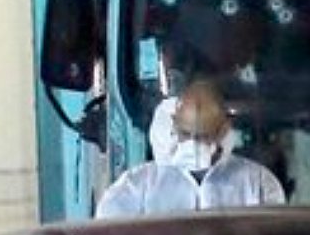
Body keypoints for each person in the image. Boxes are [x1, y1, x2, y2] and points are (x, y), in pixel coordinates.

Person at [97, 79, 285, 217]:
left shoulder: (257, 184)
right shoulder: (137, 187)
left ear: (223, 131)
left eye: (204, 136)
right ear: (174, 128)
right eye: (186, 134)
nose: (194, 144)